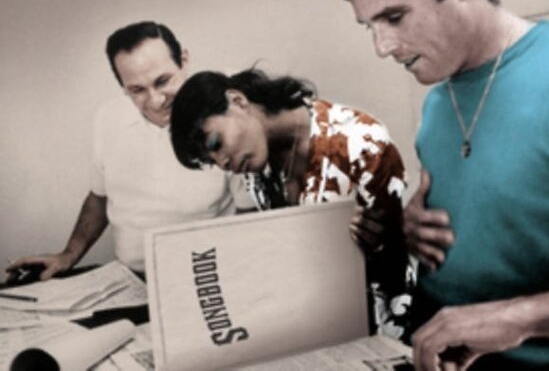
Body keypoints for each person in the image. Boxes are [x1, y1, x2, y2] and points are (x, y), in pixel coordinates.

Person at [335, 0, 549, 370]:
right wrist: (406, 230)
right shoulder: (437, 103)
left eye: (394, 17)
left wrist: (518, 318)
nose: (382, 47)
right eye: (369, 26)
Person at [170, 67, 415, 339]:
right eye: (211, 161)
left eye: (216, 143)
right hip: (312, 322)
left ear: (237, 101)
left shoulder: (360, 141)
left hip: (383, 327)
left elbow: (395, 262)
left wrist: (363, 242)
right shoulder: (255, 167)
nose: (223, 163)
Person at [6, 21, 252, 281]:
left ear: (184, 61)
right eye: (137, 90)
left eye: (163, 81)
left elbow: (249, 218)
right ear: (122, 85)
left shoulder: (220, 120)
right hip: (130, 280)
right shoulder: (107, 118)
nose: (156, 100)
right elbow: (99, 198)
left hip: (207, 277)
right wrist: (68, 255)